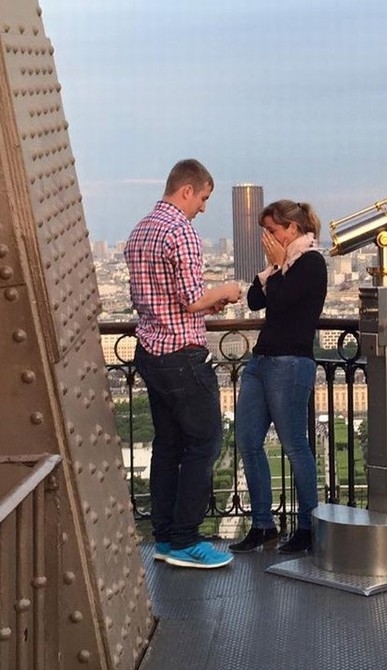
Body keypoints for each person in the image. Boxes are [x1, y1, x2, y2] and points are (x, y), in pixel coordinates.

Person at [124, 159, 241, 569]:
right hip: (181, 352)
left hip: (150, 350)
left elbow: (155, 298)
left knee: (168, 446)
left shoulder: (141, 230)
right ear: (187, 190)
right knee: (206, 442)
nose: (204, 208)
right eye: (204, 198)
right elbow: (191, 300)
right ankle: (187, 540)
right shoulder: (181, 231)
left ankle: (166, 536)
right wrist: (225, 290)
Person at [229, 199, 328, 554]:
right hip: (262, 361)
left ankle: (307, 526)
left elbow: (282, 301)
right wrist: (274, 266)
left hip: (290, 362)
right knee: (248, 442)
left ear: (292, 229)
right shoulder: (283, 265)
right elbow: (256, 299)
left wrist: (276, 265)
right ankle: (262, 524)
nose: (266, 238)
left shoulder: (312, 263)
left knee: (294, 446)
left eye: (272, 231)